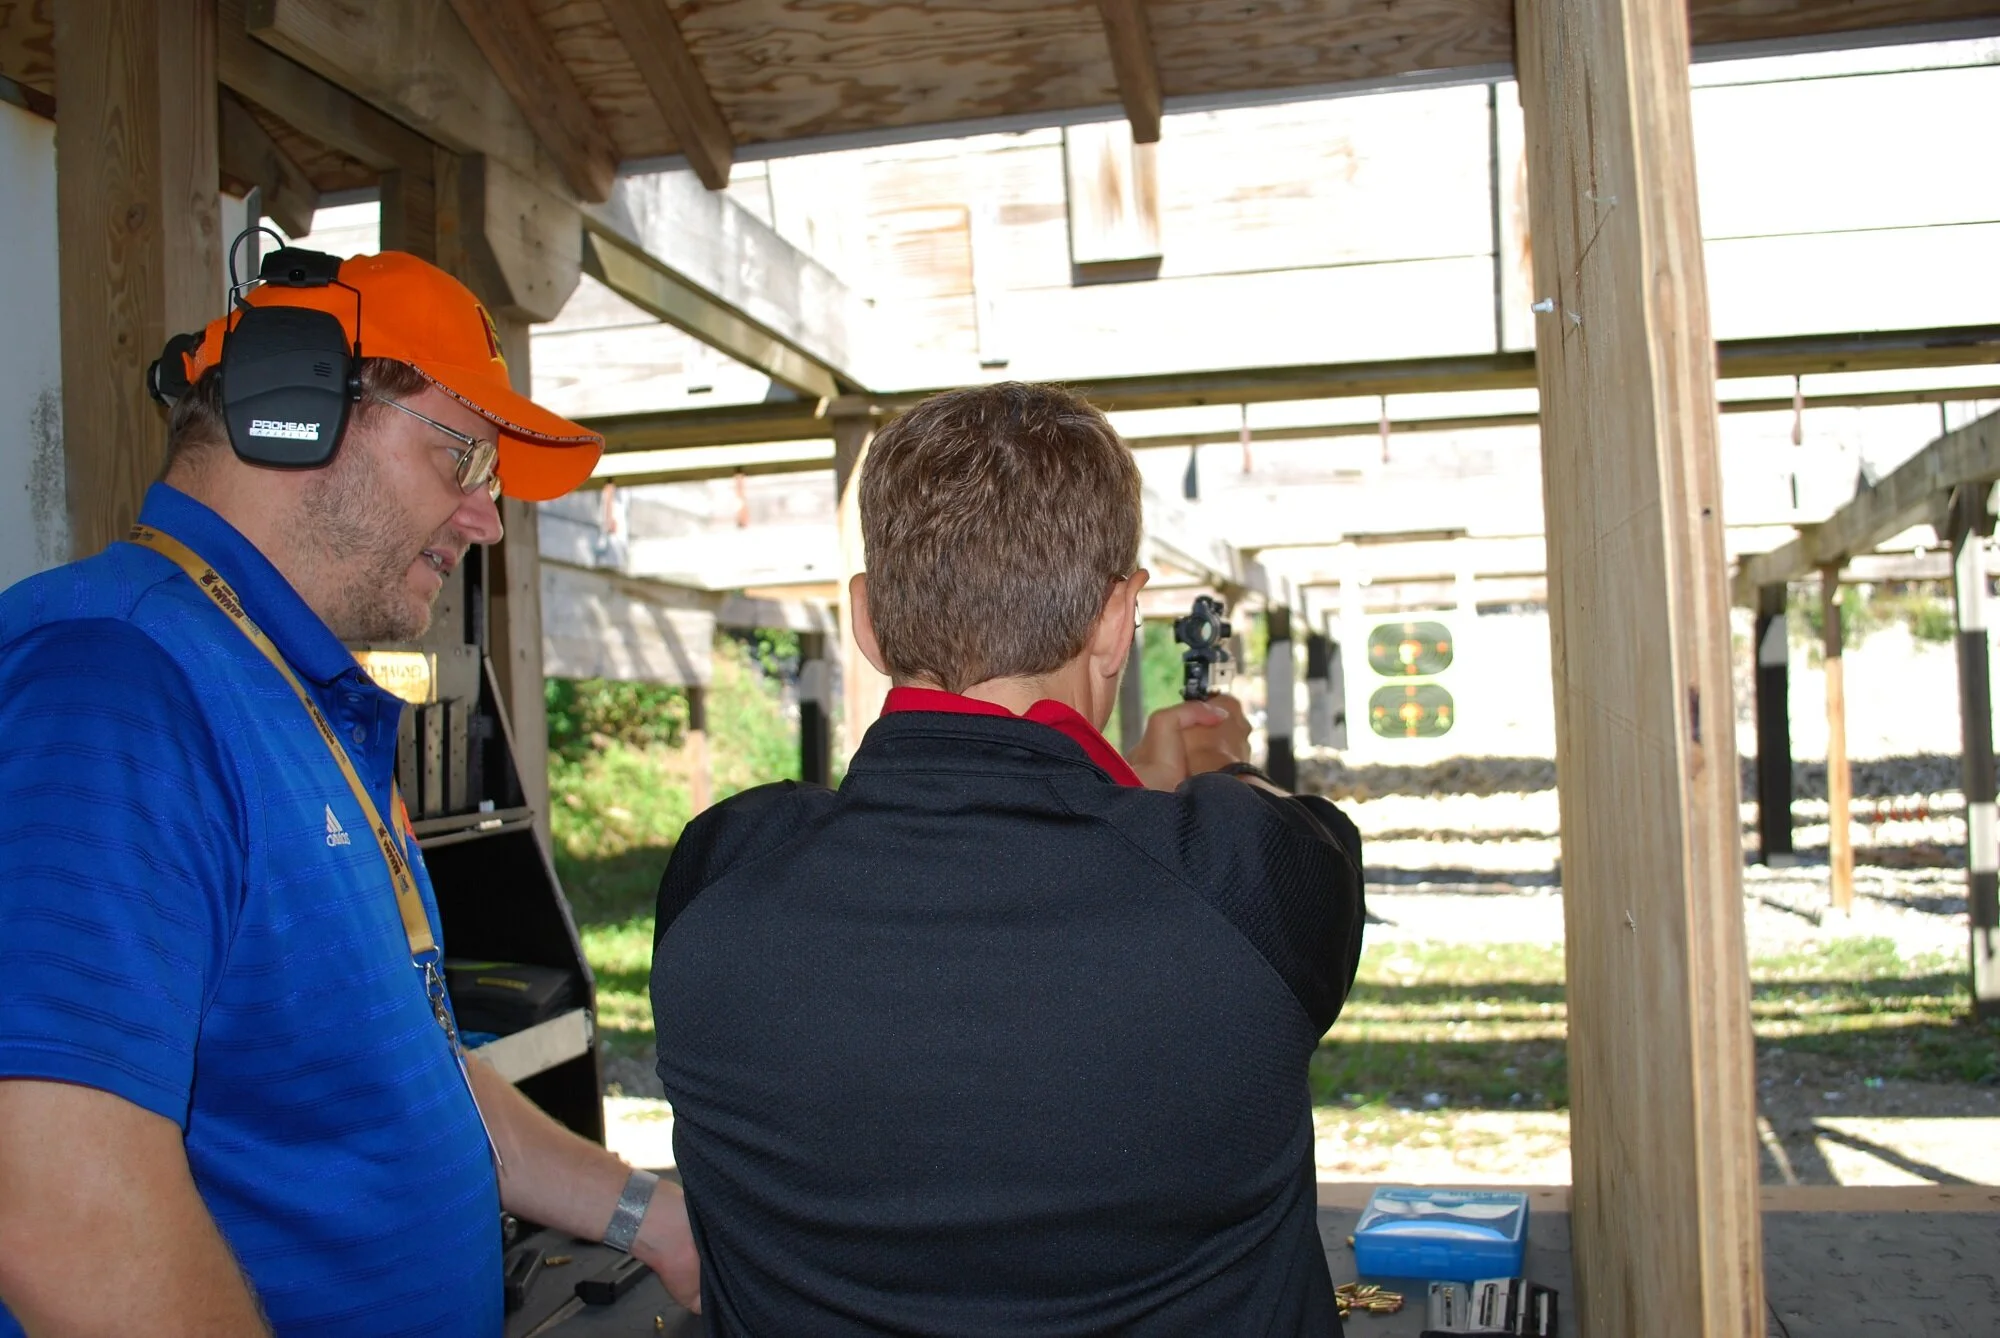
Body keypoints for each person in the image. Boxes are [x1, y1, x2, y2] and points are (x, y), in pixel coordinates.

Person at [0, 249, 699, 1335]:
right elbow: (59, 1205)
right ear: (299, 410)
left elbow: (405, 1069)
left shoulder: (291, 697)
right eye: (461, 458)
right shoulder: (114, 679)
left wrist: (649, 1217)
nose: (487, 521)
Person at [651, 382, 1366, 1334]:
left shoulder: (719, 875)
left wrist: (1133, 790)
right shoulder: (1246, 882)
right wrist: (1210, 778)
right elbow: (1293, 845)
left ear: (865, 621)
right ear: (1118, 620)